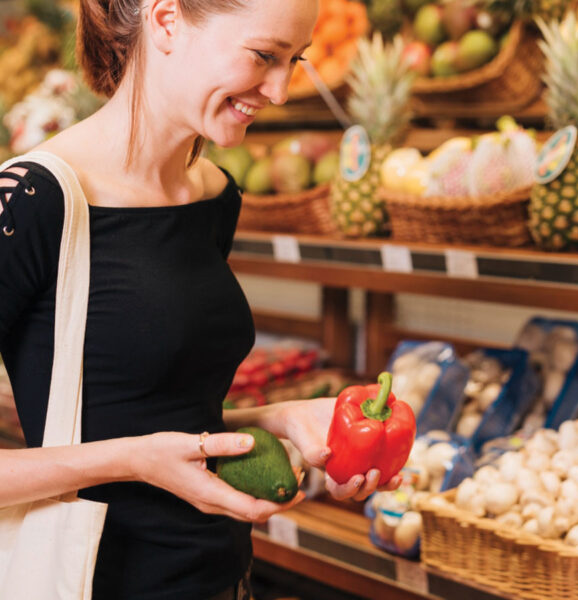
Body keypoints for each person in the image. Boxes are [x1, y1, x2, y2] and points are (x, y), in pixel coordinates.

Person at [0, 0, 400, 598]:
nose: (282, 90)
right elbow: (141, 447)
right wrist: (132, 461)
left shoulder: (213, 194)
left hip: (222, 577)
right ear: (165, 21)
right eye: (265, 56)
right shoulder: (33, 200)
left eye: (295, 60)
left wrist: (275, 420)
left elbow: (157, 415)